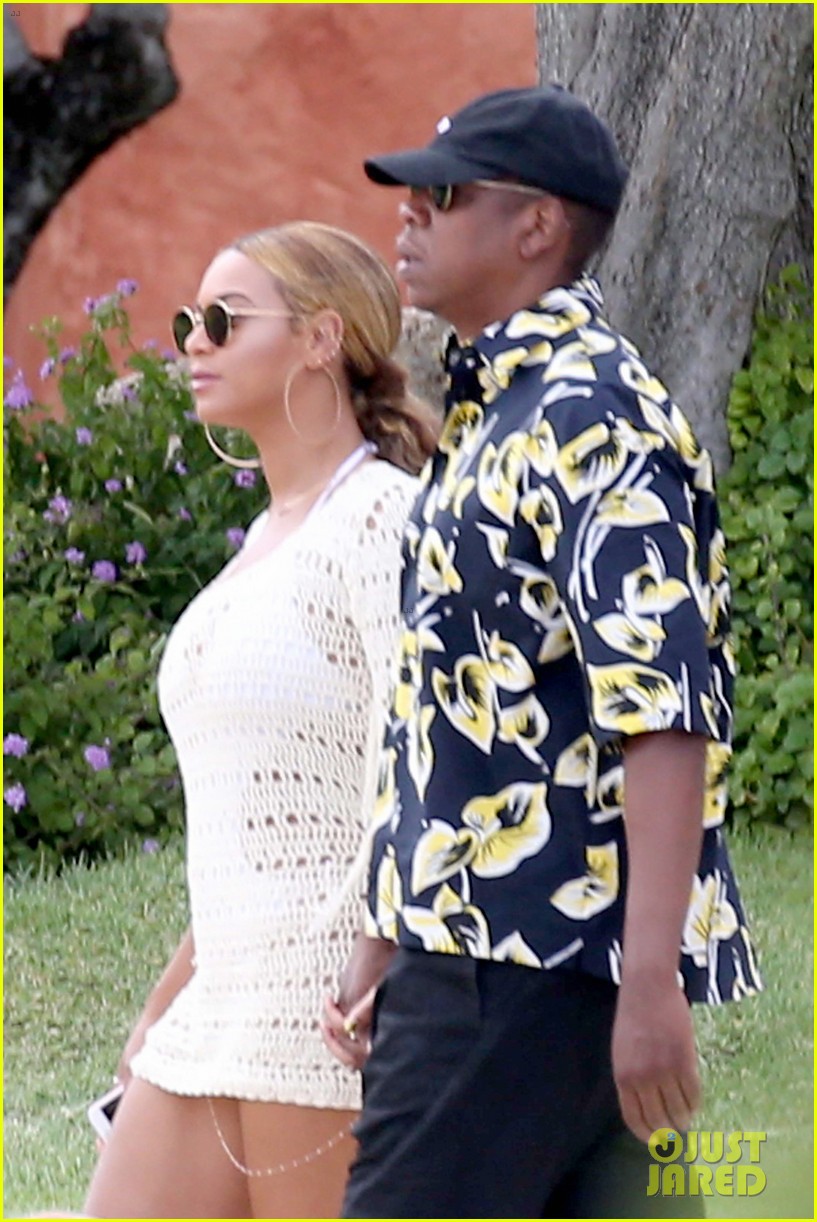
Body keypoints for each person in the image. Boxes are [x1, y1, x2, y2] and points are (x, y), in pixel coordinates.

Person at [322, 86, 764, 1219]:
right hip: (479, 948)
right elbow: (448, 701)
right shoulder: (498, 410)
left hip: (523, 968)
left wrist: (652, 982)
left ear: (536, 228)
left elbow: (661, 703)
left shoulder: (590, 414)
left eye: (442, 193)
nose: (408, 217)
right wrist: (391, 925)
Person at [84, 220, 438, 1220]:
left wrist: (378, 957)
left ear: (323, 338)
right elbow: (255, 827)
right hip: (222, 998)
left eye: (224, 320)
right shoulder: (264, 538)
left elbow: (418, 765)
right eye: (189, 321)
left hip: (328, 1001)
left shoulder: (379, 520)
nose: (193, 340)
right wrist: (164, 1000)